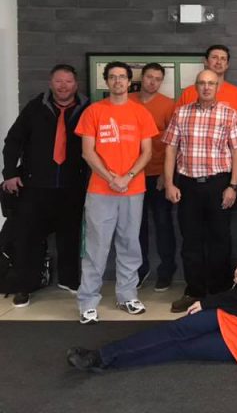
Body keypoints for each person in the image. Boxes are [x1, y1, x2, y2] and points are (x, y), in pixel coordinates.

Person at [66, 251, 237, 384]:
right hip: (234, 318)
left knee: (177, 350)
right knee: (174, 331)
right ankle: (100, 356)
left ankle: (110, 363)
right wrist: (206, 302)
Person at [74, 61, 158, 323]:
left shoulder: (141, 113)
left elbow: (147, 152)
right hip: (101, 190)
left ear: (129, 81)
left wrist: (128, 176)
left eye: (122, 77)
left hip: (133, 190)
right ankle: (88, 301)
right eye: (113, 77)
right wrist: (112, 178)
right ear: (107, 81)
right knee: (96, 248)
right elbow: (88, 152)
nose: (118, 81)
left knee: (129, 244)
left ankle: (127, 296)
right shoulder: (93, 112)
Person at [2, 64, 89, 308]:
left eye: (68, 81)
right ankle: (24, 286)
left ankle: (70, 280)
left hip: (73, 186)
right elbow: (13, 141)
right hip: (36, 186)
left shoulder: (87, 108)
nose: (63, 86)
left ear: (76, 84)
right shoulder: (35, 107)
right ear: (51, 83)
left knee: (70, 236)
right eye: (58, 81)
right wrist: (9, 173)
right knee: (29, 238)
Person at [163, 70, 237, 313]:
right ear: (196, 86)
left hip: (218, 184)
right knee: (191, 240)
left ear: (218, 87)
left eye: (211, 83)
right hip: (187, 184)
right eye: (202, 83)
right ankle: (194, 291)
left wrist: (233, 186)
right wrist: (169, 183)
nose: (207, 87)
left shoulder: (229, 114)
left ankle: (219, 292)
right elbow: (170, 149)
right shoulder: (181, 113)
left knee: (220, 239)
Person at [128, 62, 177, 292]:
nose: (152, 82)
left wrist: (166, 177)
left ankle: (166, 271)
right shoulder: (127, 102)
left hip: (157, 174)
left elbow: (173, 144)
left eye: (158, 78)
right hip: (131, 176)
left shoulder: (168, 105)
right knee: (135, 226)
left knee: (163, 223)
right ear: (141, 77)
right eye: (149, 77)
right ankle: (140, 269)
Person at [176, 45, 237, 128]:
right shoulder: (188, 92)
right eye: (214, 57)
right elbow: (176, 122)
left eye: (223, 59)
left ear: (227, 65)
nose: (219, 62)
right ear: (205, 61)